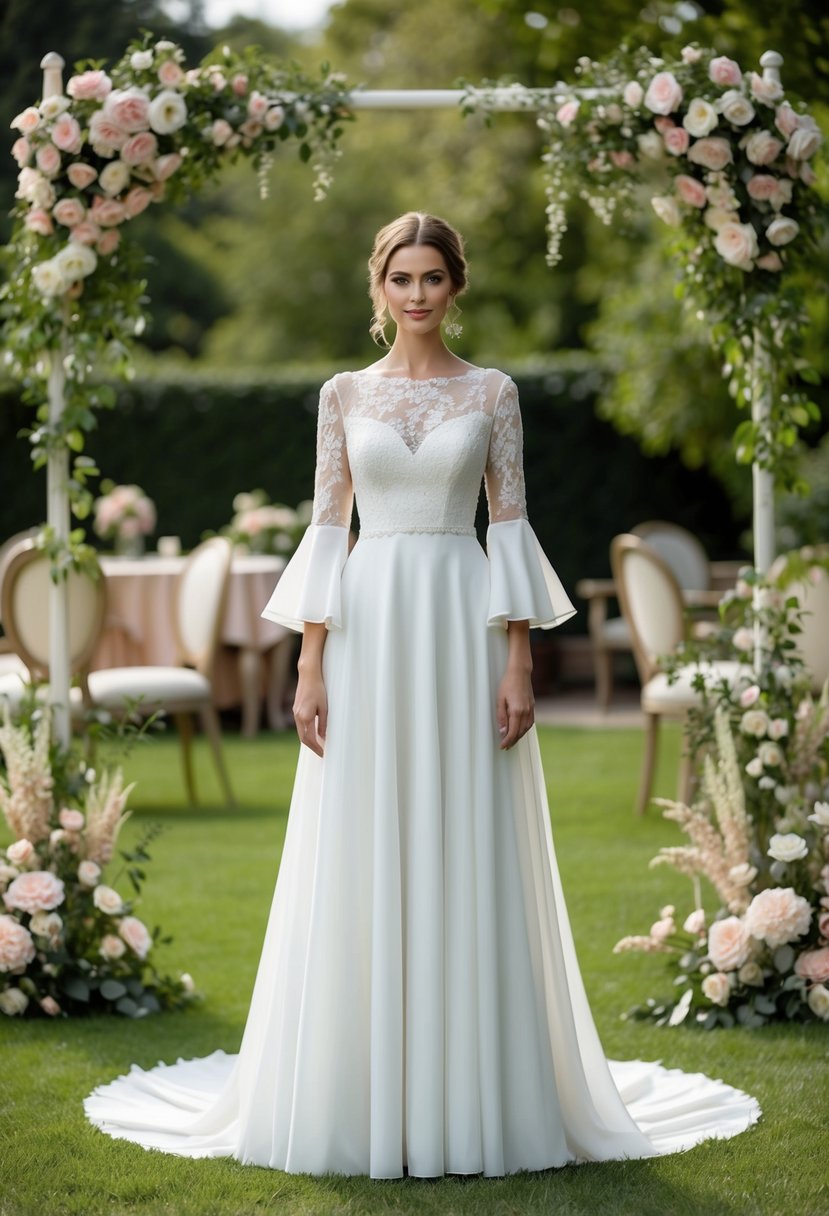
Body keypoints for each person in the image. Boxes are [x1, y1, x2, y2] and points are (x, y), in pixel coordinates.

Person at [85, 212, 759, 1176]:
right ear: (378, 286)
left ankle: (470, 1087)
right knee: (361, 834)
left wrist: (519, 661)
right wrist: (310, 663)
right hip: (365, 627)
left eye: (432, 277)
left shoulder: (492, 392)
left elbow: (511, 530)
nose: (415, 294)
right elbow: (327, 528)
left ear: (455, 285)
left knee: (463, 831)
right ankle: (360, 1089)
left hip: (458, 620)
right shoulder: (341, 394)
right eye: (400, 277)